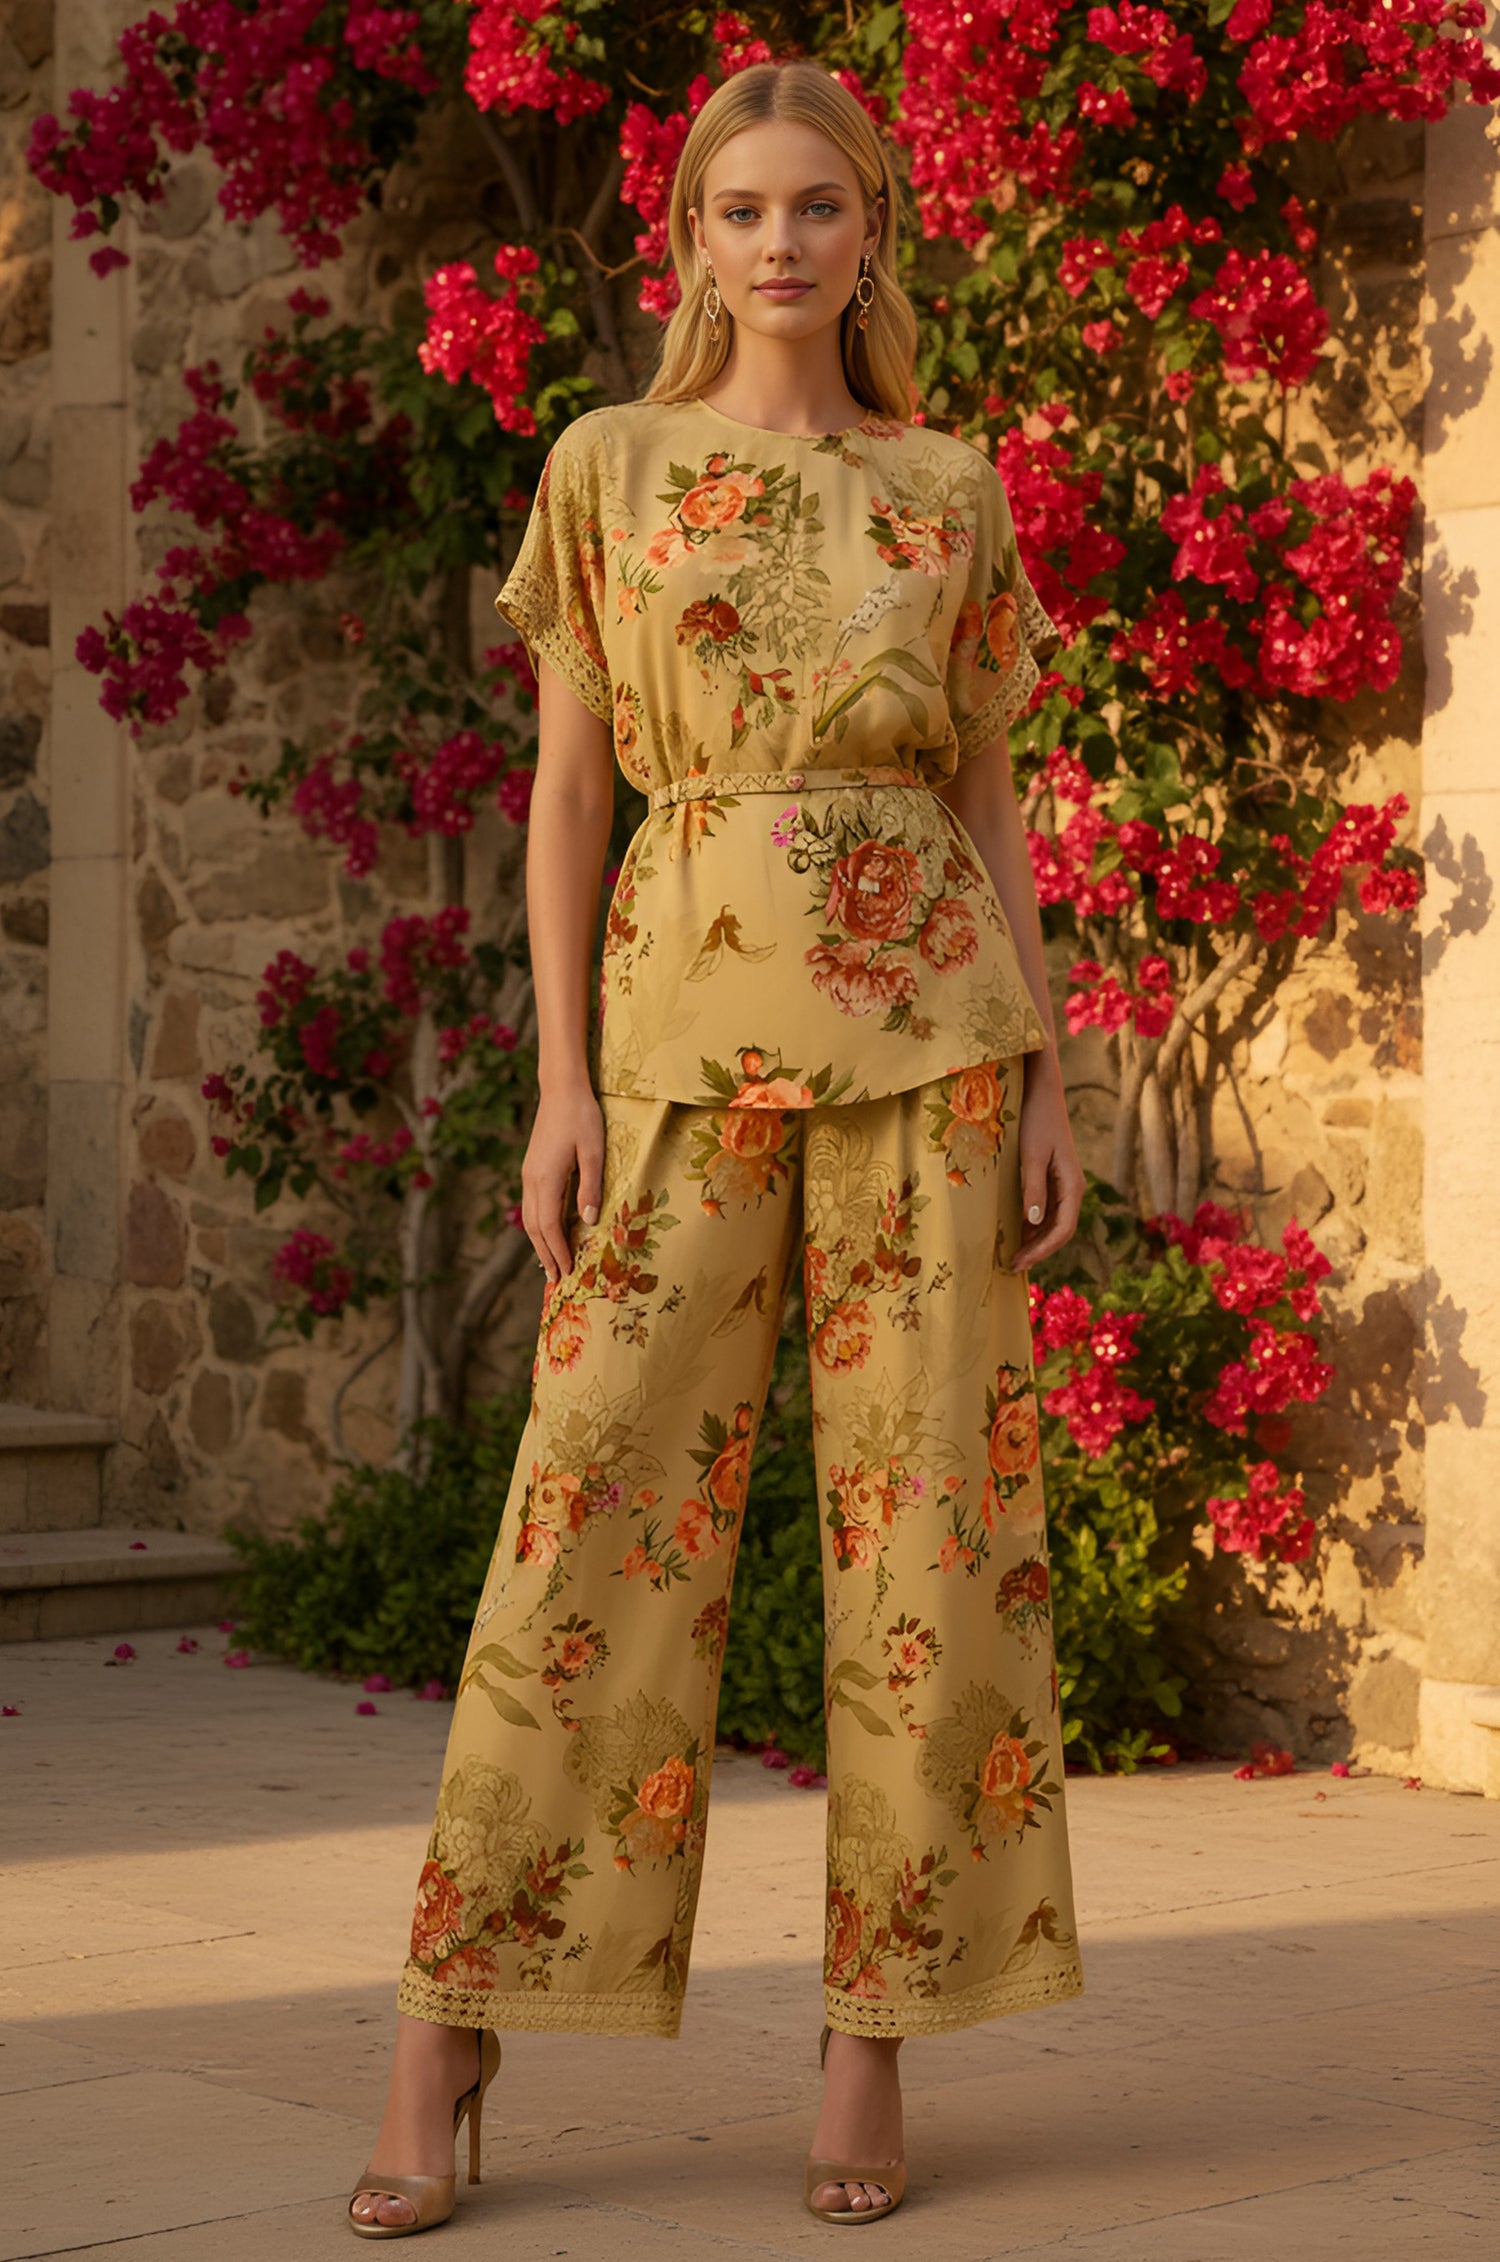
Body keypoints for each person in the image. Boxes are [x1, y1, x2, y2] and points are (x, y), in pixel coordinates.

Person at [348, 55, 1086, 2240]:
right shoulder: (613, 466)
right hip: (674, 1043)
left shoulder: (950, 489)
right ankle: (451, 2019)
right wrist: (560, 1081)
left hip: (936, 1045)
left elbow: (988, 804)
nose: (784, 245)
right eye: (745, 210)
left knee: (929, 1547)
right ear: (693, 238)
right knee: (588, 1522)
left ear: (875, 232)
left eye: (821, 209)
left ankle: (871, 2042)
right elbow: (570, 795)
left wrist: (1045, 1068)